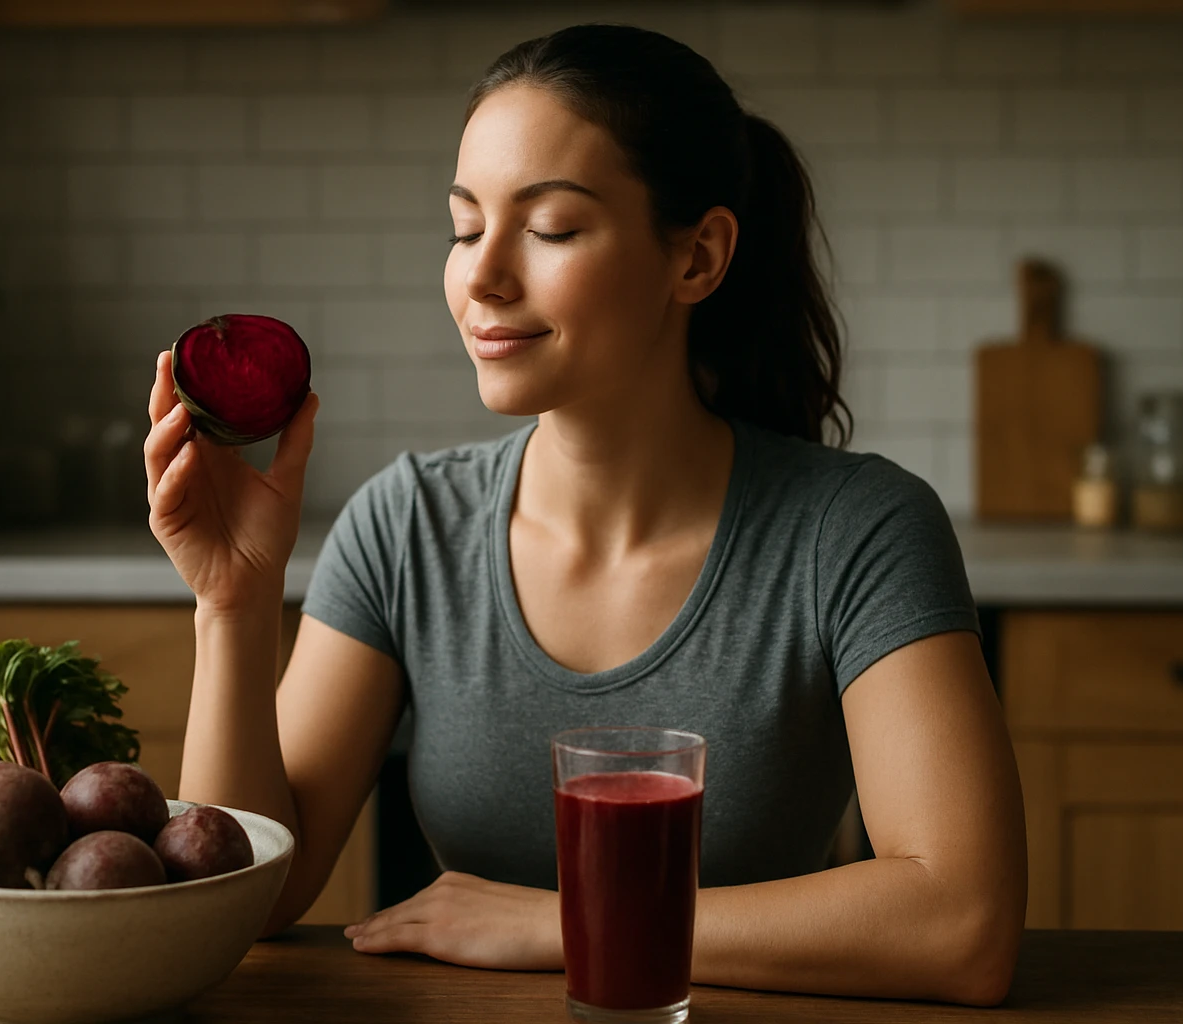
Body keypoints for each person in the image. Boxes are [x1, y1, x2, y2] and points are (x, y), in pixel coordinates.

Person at [143, 23, 1027, 1008]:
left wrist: (553, 920)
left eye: (552, 227)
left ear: (697, 258)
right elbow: (242, 898)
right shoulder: (405, 525)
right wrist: (233, 601)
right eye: (465, 225)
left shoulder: (858, 531)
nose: (481, 276)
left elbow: (963, 924)